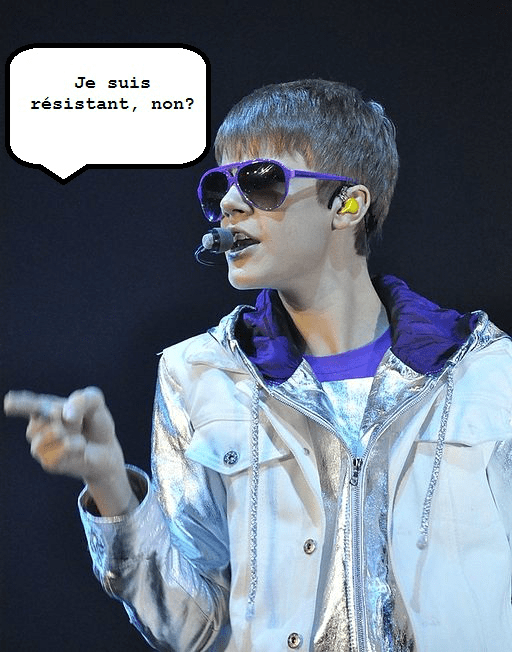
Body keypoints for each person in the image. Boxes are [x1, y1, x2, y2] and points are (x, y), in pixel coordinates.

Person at [5, 79, 512, 652]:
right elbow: (192, 626)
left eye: (261, 180)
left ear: (347, 205)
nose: (229, 202)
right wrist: (110, 487)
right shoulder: (201, 375)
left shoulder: (487, 372)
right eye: (219, 184)